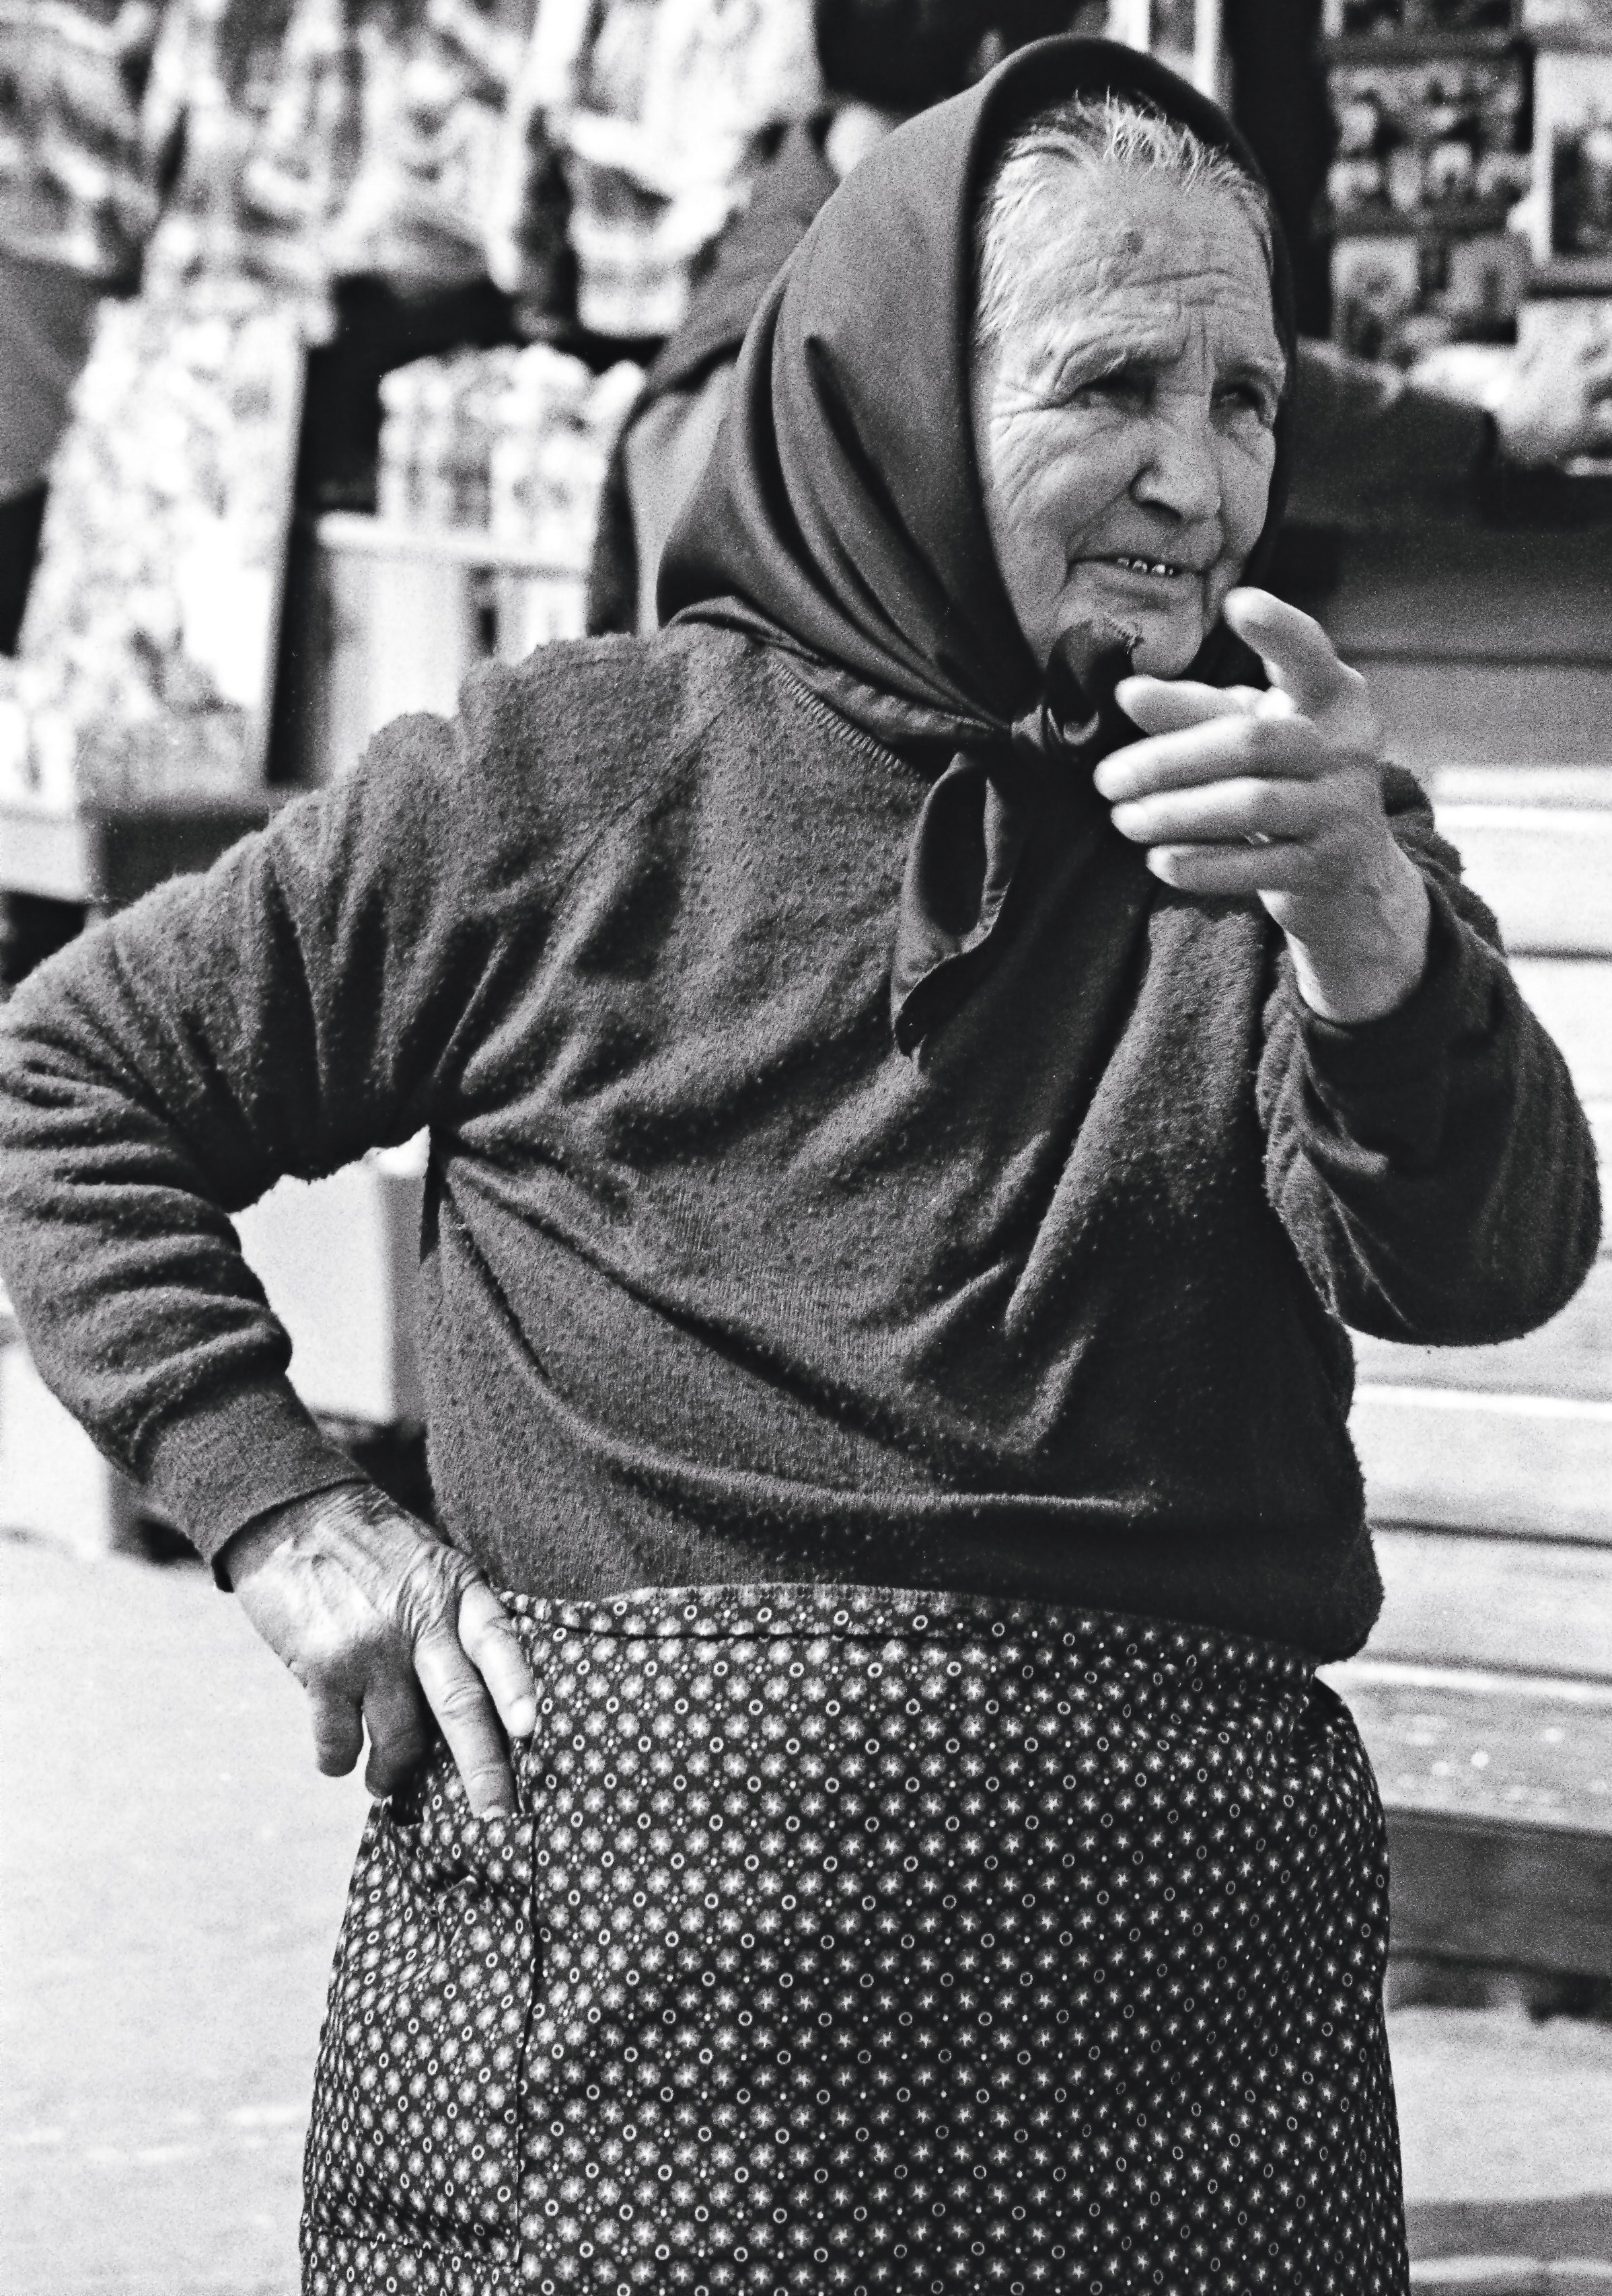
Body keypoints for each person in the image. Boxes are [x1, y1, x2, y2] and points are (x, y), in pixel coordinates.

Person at [0, 36, 1599, 2296]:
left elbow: (1482, 1262)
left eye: (1242, 399)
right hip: (624, 2070)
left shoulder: (1276, 819)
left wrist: (1364, 933)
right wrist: (271, 1496)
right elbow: (66, 1078)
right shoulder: (568, 775)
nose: (1191, 477)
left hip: (1167, 2067)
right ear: (905, 387)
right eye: (1108, 383)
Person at [587, 1, 1612, 635]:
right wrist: (1485, 433)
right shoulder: (822, 328)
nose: (1192, 483)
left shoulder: (802, 217)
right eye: (1076, 46)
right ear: (994, 60)